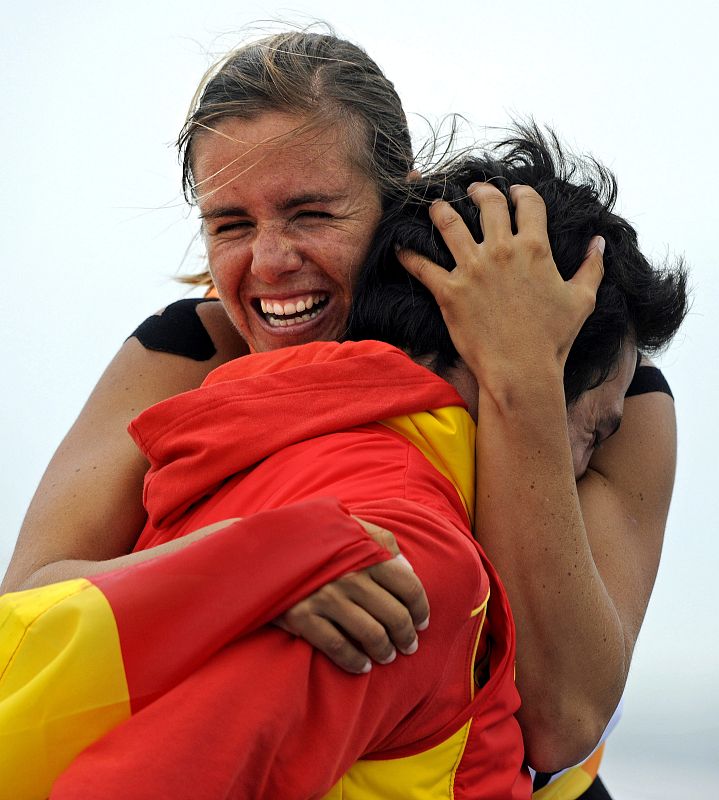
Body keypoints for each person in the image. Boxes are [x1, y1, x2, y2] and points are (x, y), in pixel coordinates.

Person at [0, 29, 686, 797]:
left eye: (310, 213)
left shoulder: (604, 395)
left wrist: (519, 376)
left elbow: (561, 717)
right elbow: (31, 609)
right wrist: (254, 566)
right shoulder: (189, 353)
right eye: (229, 224)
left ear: (402, 198)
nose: (267, 262)